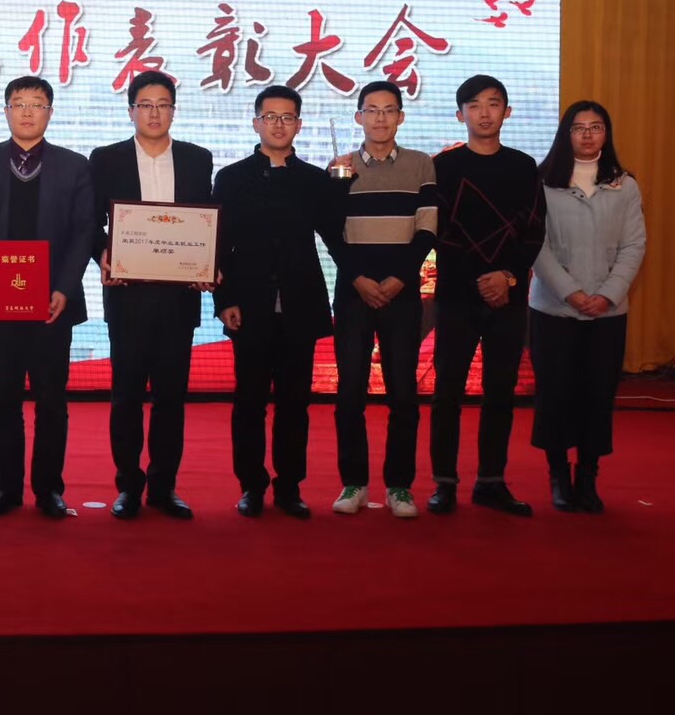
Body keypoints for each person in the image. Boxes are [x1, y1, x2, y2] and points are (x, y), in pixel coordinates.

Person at [0, 76, 95, 518]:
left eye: (37, 104)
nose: (27, 111)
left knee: (52, 401)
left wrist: (64, 288)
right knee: (3, 400)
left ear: (50, 113)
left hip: (53, 306)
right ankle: (7, 488)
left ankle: (49, 489)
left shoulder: (74, 165)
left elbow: (84, 231)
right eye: (18, 103)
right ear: (6, 111)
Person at [212, 84, 344, 519]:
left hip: (300, 306)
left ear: (299, 125)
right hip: (249, 306)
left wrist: (343, 189)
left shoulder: (314, 180)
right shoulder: (231, 178)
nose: (279, 124)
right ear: (256, 123)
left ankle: (289, 487)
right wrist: (224, 299)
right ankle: (251, 485)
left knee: (294, 404)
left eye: (287, 117)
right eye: (270, 117)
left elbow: (335, 234)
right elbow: (219, 244)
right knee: (249, 402)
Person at [89, 71, 214, 520]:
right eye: (145, 104)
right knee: (125, 398)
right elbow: (90, 222)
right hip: (127, 297)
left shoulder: (198, 159)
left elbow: (205, 222)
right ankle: (128, 487)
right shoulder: (106, 159)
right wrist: (103, 254)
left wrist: (208, 263)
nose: (154, 113)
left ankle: (164, 487)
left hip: (179, 300)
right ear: (131, 111)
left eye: (163, 104)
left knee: (170, 399)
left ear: (174, 111)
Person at [428, 75, 546, 517]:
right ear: (460, 114)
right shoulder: (443, 167)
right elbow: (438, 233)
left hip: (508, 299)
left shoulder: (523, 166)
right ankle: (444, 484)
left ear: (507, 112)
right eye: (474, 105)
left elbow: (534, 230)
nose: (484, 112)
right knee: (447, 392)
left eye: (493, 103)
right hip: (457, 297)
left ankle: (491, 482)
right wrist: (482, 278)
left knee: (500, 392)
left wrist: (507, 277)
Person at [529, 101, 646, 513]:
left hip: (607, 313)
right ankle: (559, 475)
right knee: (555, 393)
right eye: (579, 127)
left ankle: (588, 476)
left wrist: (608, 294)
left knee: (598, 394)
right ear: (566, 134)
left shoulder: (624, 185)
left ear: (606, 134)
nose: (588, 135)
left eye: (596, 127)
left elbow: (634, 245)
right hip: (553, 310)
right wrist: (570, 292)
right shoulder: (542, 182)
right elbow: (536, 244)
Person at [327, 81, 437, 519]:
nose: (380, 118)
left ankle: (399, 486)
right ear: (358, 117)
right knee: (350, 391)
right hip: (353, 294)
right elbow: (331, 233)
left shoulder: (421, 164)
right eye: (371, 110)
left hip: (402, 294)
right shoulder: (340, 167)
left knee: (404, 393)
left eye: (389, 110)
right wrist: (358, 279)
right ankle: (353, 482)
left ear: (401, 117)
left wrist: (399, 279)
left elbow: (427, 229)